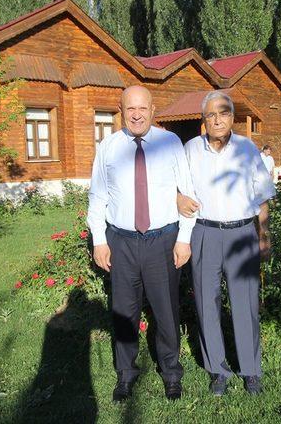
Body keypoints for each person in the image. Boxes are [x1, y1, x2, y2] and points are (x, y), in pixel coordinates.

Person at [87, 85, 196, 402]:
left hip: (162, 240)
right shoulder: (108, 147)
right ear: (121, 110)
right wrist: (98, 240)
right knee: (124, 311)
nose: (136, 114)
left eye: (142, 108)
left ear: (152, 109)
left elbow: (186, 195)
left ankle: (171, 372)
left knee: (166, 312)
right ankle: (125, 373)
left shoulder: (170, 143)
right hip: (120, 241)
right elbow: (98, 196)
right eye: (130, 108)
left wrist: (184, 239)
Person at [178, 91, 275, 396]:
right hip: (204, 233)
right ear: (203, 120)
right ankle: (217, 369)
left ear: (232, 117)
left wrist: (264, 235)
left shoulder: (248, 149)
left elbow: (261, 199)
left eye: (223, 113)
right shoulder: (190, 149)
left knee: (245, 304)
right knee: (207, 304)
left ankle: (250, 369)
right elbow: (175, 187)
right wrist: (177, 198)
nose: (217, 120)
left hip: (242, 233)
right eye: (211, 115)